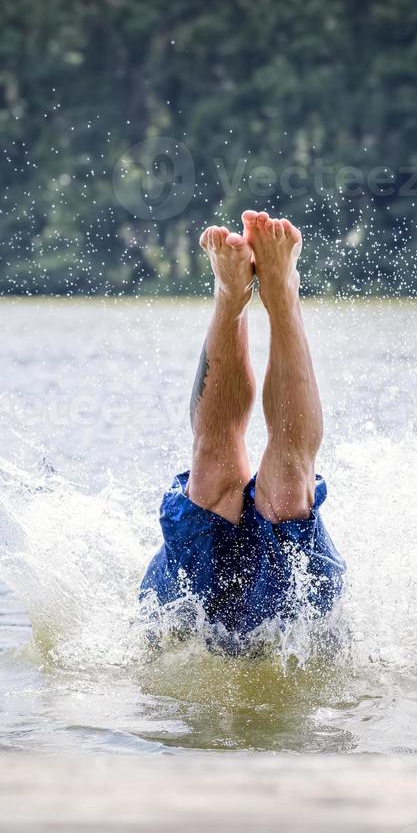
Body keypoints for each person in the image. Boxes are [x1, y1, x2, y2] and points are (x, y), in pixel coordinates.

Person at [140, 211, 345, 652]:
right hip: (190, 614)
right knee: (214, 471)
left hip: (297, 614)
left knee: (289, 490)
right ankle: (232, 294)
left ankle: (280, 292)